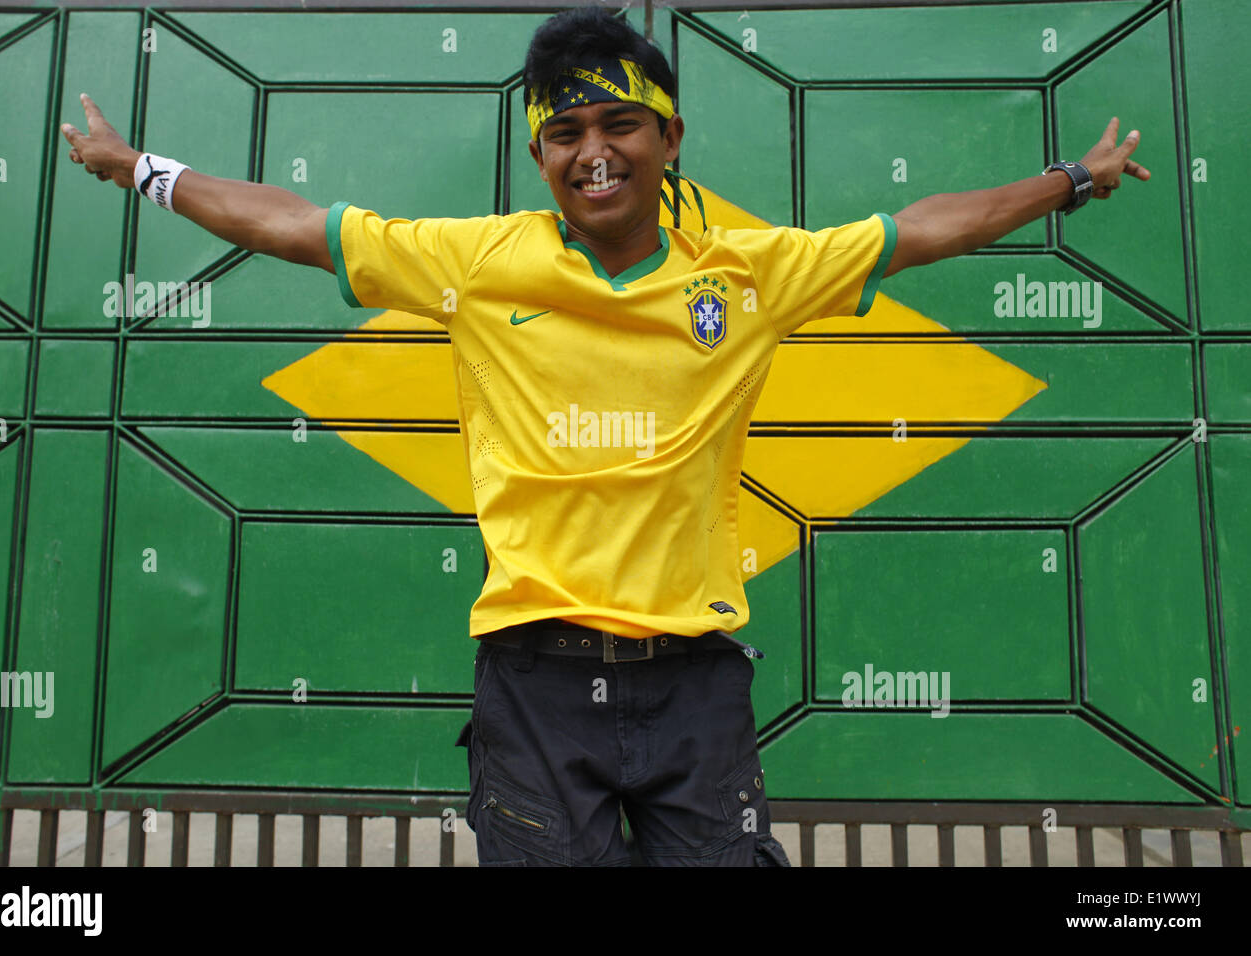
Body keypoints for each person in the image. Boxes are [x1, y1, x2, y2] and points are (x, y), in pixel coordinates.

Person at [60, 5, 1149, 867]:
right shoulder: (479, 263)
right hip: (534, 681)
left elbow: (920, 229)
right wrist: (137, 170)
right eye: (563, 131)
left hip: (694, 682)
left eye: (618, 124)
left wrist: (1069, 181)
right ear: (540, 152)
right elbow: (295, 224)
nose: (593, 152)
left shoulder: (749, 270)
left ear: (668, 136)